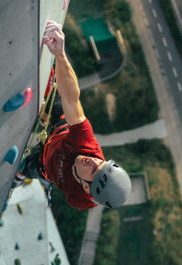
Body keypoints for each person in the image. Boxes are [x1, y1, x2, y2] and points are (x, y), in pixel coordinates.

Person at [15, 20, 131, 210]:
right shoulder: (87, 145)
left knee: (27, 169)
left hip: (45, 166)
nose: (92, 161)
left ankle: (20, 175)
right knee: (52, 89)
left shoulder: (80, 199)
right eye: (100, 162)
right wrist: (60, 55)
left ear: (86, 187)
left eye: (93, 170)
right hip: (60, 130)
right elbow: (71, 98)